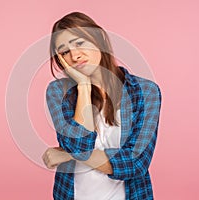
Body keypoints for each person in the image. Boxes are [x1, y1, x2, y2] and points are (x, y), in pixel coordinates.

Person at [42, 11, 162, 200]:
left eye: (79, 43)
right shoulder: (59, 92)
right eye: (64, 51)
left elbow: (136, 162)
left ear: (99, 39)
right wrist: (83, 86)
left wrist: (68, 156)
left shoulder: (146, 91)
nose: (74, 55)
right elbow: (79, 144)